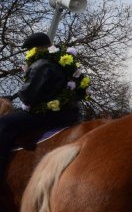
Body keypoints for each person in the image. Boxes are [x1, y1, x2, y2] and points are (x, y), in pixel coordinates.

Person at [0, 32, 82, 180]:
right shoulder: (64, 62)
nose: (29, 52)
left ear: (36, 48)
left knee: (3, 123)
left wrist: (16, 98)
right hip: (69, 114)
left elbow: (29, 96)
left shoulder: (41, 64)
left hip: (47, 115)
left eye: (30, 49)